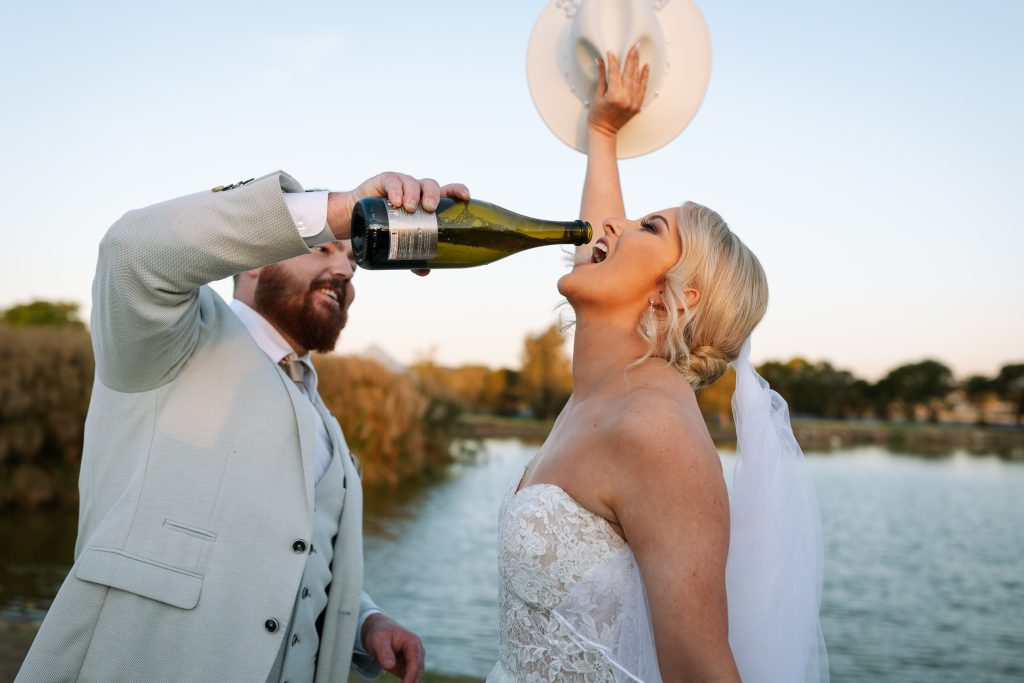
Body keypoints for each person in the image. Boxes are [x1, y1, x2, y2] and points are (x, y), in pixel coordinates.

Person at [16, 170, 469, 683]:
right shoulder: (170, 337)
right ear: (253, 260)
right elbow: (131, 248)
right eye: (323, 250)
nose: (344, 270)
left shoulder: (320, 415)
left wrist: (364, 620)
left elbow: (294, 549)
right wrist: (341, 210)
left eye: (351, 262)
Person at [488, 47, 827, 682]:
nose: (607, 230)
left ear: (680, 293)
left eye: (648, 227)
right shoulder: (599, 390)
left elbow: (700, 667)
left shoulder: (656, 429)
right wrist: (602, 132)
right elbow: (599, 235)